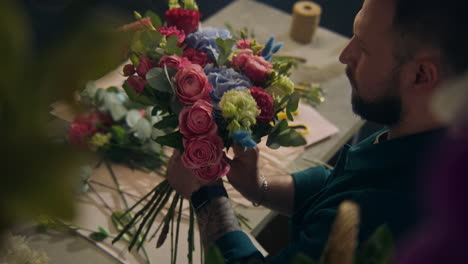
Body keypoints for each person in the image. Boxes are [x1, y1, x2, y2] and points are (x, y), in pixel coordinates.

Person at [167, 0, 468, 262]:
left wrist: (204, 193)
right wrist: (260, 188)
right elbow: (343, 181)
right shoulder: (427, 134)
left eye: (363, 48)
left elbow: (351, 203)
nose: (345, 55)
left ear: (420, 75)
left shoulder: (383, 216)